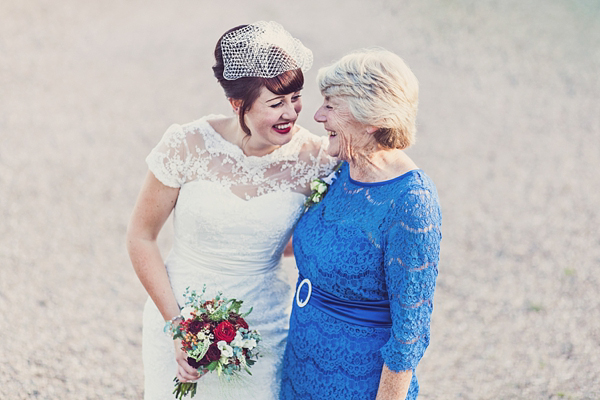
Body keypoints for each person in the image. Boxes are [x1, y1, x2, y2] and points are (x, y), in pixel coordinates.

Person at [126, 21, 335, 400]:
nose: (292, 113)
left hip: (264, 331)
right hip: (176, 316)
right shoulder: (187, 144)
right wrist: (178, 327)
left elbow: (311, 239)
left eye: (296, 97)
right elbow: (141, 237)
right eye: (276, 104)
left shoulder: (317, 158)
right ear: (238, 104)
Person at [280, 48, 442, 400]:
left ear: (371, 118)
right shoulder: (341, 169)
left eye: (330, 104)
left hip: (356, 383)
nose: (318, 115)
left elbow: (409, 333)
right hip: (300, 368)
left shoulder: (411, 201)